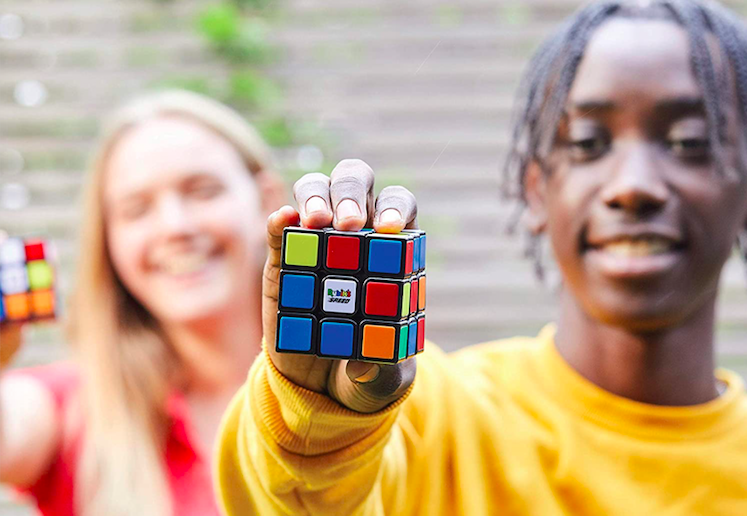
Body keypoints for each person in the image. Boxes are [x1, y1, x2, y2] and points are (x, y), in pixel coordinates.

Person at [215, 1, 747, 514]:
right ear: (535, 190)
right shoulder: (427, 416)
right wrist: (318, 418)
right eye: (587, 142)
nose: (632, 186)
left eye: (688, 142)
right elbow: (293, 500)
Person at [0, 89, 286, 516]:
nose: (175, 226)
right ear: (109, 240)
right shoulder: (71, 413)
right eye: (136, 210)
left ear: (266, 198)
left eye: (203, 190)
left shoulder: (365, 391)